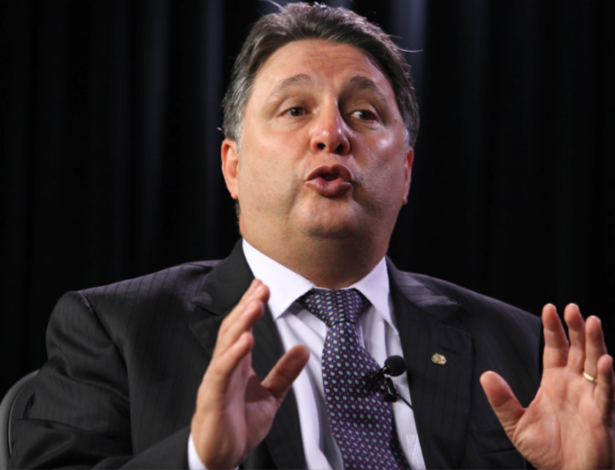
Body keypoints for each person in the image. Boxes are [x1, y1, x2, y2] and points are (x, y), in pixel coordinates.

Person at [12, 3, 614, 469]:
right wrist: (198, 458)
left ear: (406, 172)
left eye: (364, 113)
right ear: (233, 167)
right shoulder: (115, 329)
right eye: (295, 110)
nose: (332, 133)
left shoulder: (525, 349)